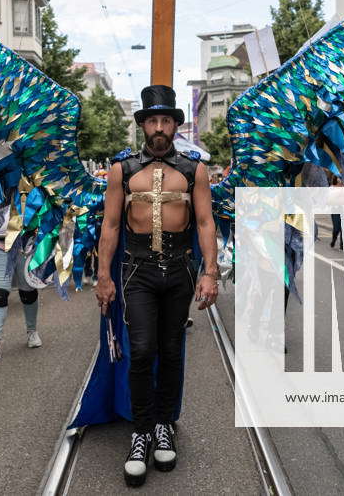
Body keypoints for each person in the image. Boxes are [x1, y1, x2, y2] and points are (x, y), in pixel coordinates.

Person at [93, 85, 219, 487]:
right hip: (138, 272)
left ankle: (165, 424)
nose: (159, 127)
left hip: (180, 271)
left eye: (166, 120)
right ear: (143, 125)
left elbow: (204, 222)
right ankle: (141, 431)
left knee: (171, 350)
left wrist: (210, 272)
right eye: (153, 120)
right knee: (142, 350)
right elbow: (110, 225)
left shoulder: (194, 169)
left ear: (176, 125)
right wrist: (103, 275)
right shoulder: (123, 170)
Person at [0, 180, 42, 361]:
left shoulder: (28, 182)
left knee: (27, 292)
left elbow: (41, 211)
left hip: (23, 245)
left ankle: (31, 331)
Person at [329, 175, 344, 249]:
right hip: (335, 209)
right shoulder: (332, 188)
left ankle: (342, 244)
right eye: (339, 177)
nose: (340, 179)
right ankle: (334, 240)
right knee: (336, 227)